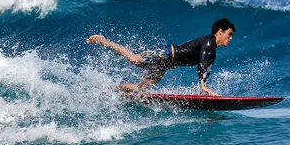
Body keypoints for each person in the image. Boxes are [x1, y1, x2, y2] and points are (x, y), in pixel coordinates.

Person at [87, 18, 235, 96]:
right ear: (220, 32)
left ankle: (113, 90)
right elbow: (202, 63)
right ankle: (103, 40)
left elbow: (206, 70)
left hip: (165, 64)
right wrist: (203, 85)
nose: (231, 38)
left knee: (140, 89)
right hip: (165, 52)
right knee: (134, 59)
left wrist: (204, 88)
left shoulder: (213, 53)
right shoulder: (208, 41)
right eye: (229, 34)